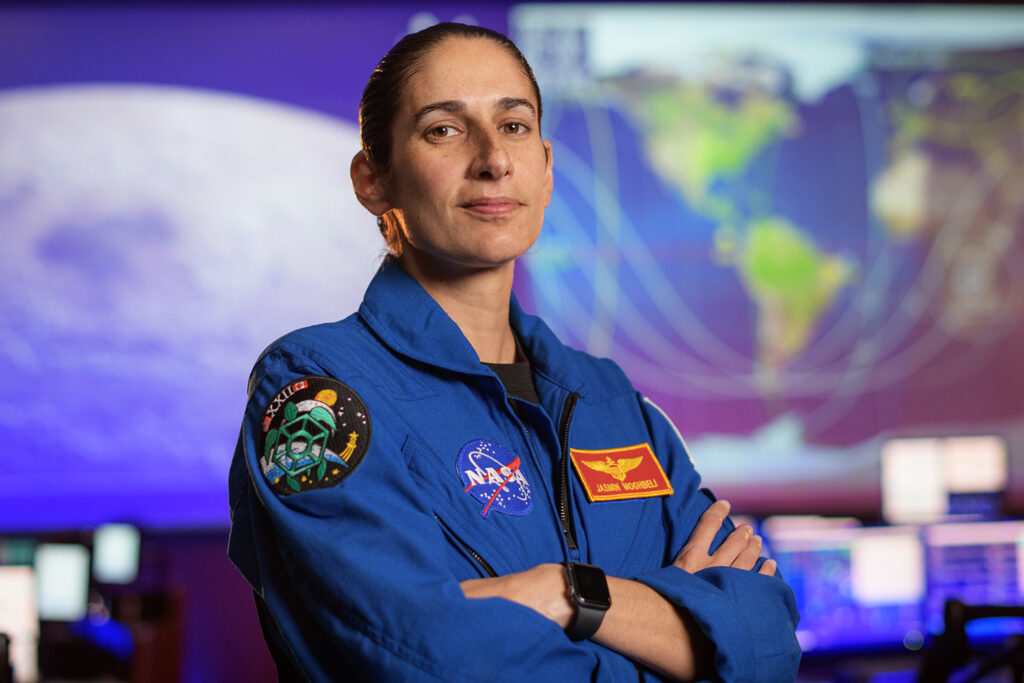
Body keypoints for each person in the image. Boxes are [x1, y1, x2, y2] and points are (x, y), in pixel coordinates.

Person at [228, 22, 801, 682]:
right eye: (444, 128)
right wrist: (681, 639)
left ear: (548, 167)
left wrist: (565, 593)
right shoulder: (317, 390)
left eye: (515, 126)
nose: (493, 159)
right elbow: (427, 659)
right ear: (372, 180)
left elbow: (767, 642)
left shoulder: (609, 400)